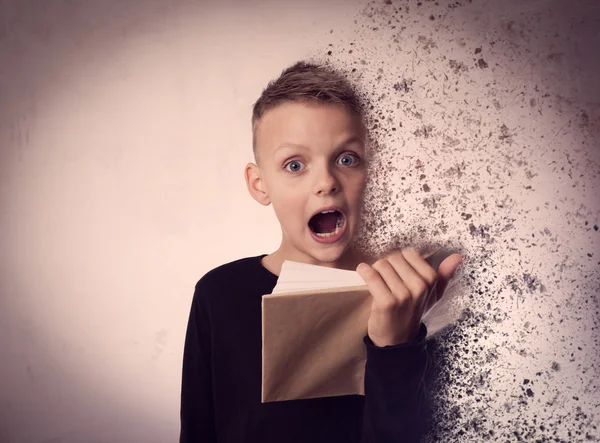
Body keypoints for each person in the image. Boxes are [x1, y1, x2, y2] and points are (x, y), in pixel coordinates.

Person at [179, 60, 463, 442]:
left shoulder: (417, 295)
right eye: (295, 165)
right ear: (260, 184)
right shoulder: (218, 294)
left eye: (347, 159)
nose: (327, 182)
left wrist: (396, 348)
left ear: (371, 173)